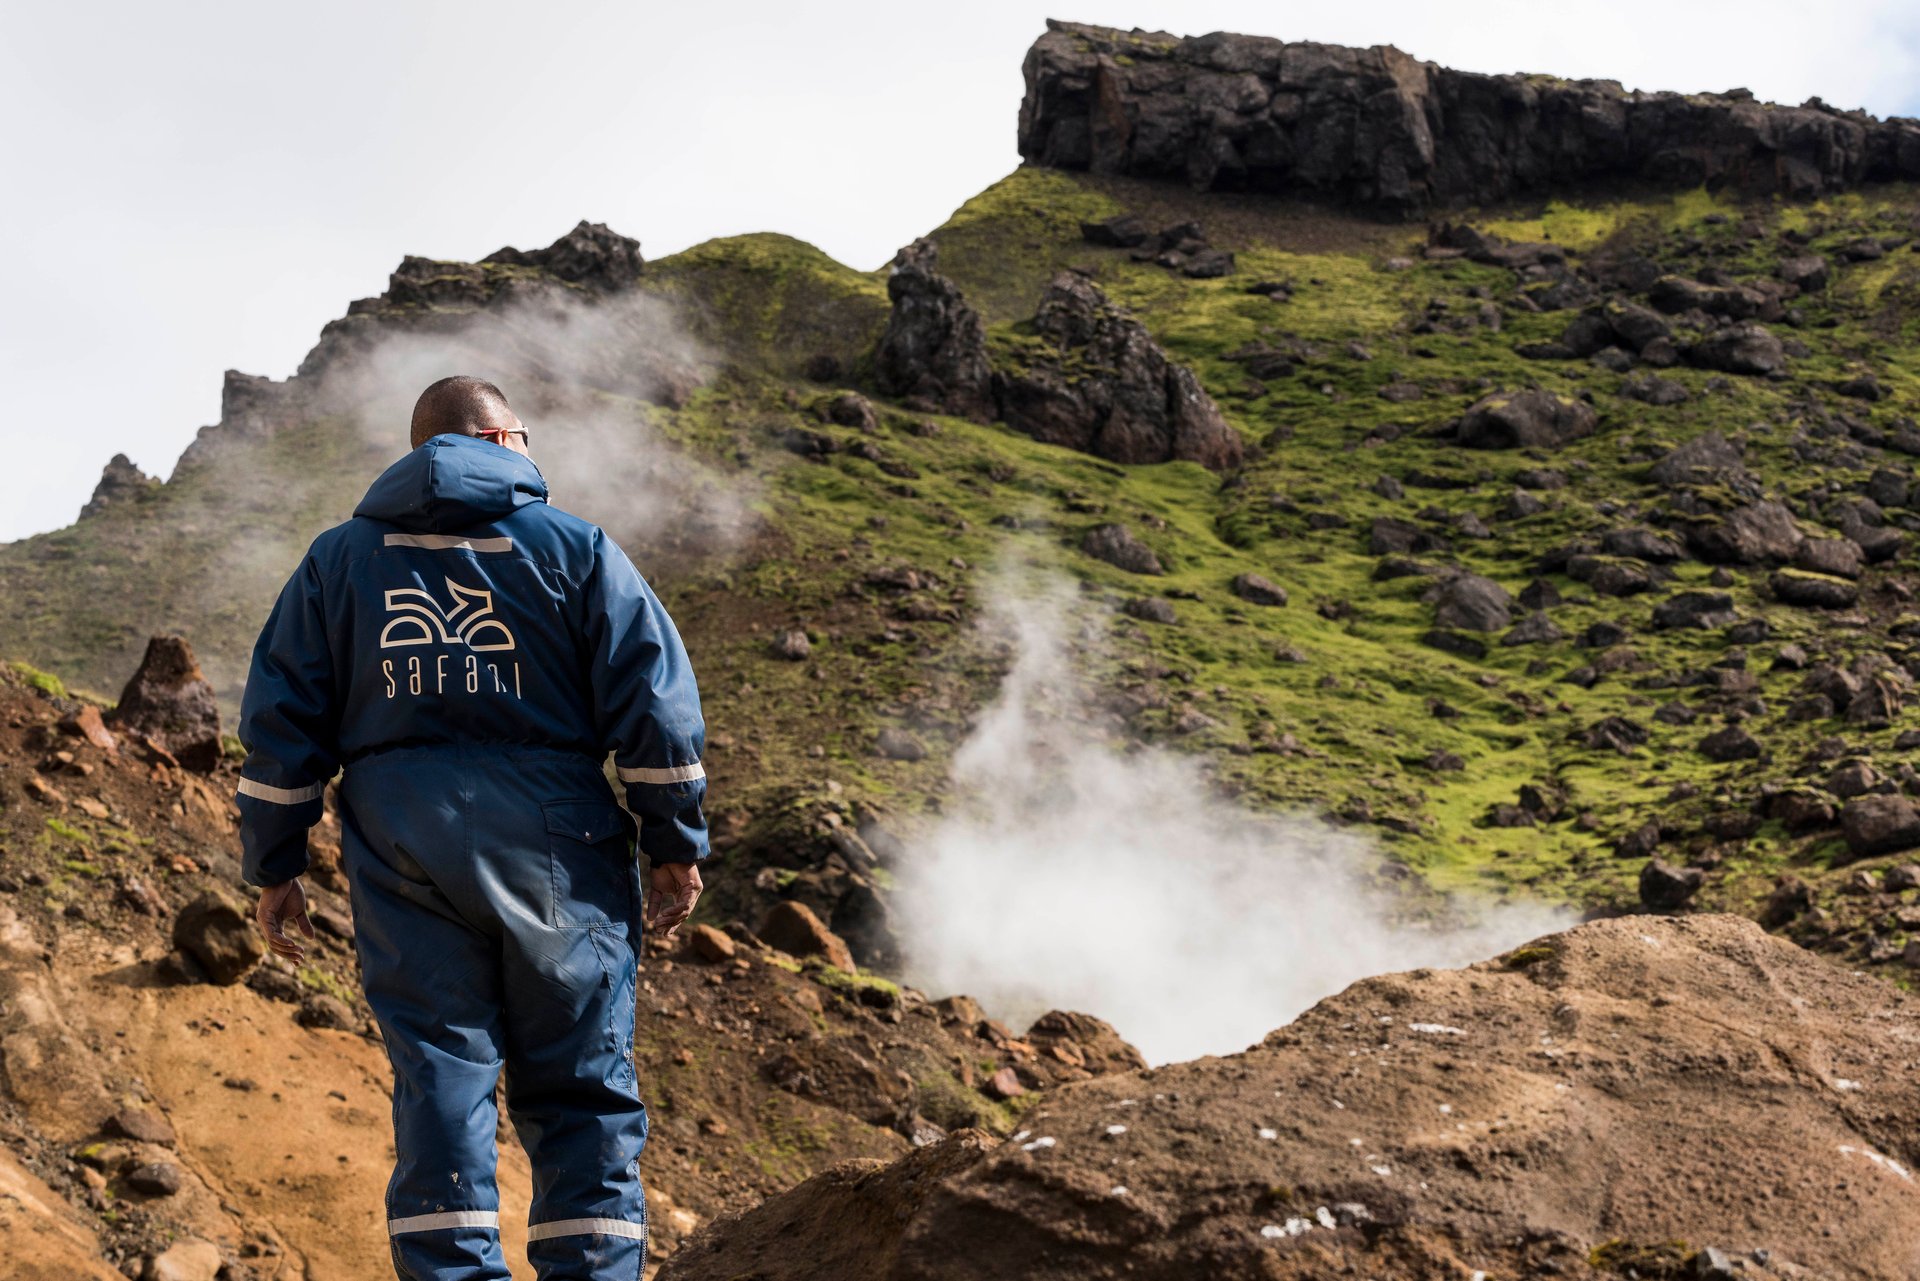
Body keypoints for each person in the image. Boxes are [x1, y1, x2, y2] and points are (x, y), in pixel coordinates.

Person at [235, 375, 707, 1280]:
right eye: (526, 436)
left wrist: (275, 866)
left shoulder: (338, 561)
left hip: (402, 842)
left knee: (442, 1079)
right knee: (579, 1085)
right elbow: (656, 708)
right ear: (497, 438)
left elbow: (280, 721)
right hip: (559, 846)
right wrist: (674, 843)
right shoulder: (577, 548)